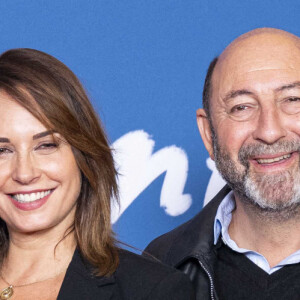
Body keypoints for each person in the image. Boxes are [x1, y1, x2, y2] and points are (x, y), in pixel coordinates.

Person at [0, 48, 194, 300]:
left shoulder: (152, 291)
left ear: (84, 156)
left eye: (46, 145)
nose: (24, 173)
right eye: (2, 150)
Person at [145, 28, 300, 299]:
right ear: (208, 134)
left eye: (293, 100)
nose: (270, 131)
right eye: (242, 107)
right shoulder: (157, 268)